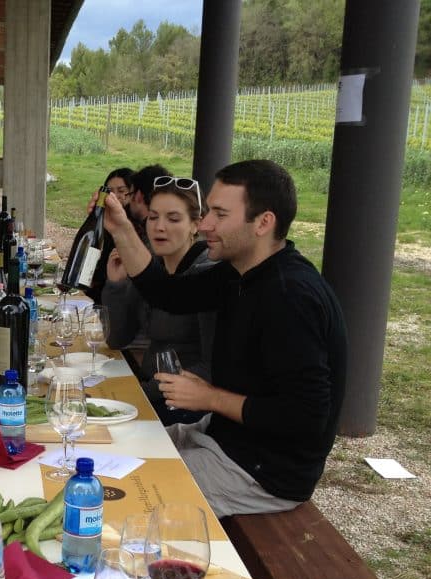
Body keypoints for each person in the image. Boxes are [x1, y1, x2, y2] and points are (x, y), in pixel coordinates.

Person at [103, 159, 347, 518]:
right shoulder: (239, 272)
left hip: (260, 471)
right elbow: (167, 293)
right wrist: (123, 230)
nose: (205, 225)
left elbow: (306, 418)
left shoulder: (290, 296)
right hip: (222, 438)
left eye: (219, 214)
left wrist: (209, 396)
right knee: (105, 456)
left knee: (119, 502)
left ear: (264, 222)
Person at [101, 175, 215, 423]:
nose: (159, 227)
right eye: (153, 217)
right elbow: (118, 338)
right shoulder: (150, 266)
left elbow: (210, 368)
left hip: (183, 410)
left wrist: (140, 394)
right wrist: (117, 284)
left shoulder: (207, 275)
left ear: (196, 224)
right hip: (149, 391)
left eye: (173, 219)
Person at [70, 167, 133, 303]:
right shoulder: (102, 222)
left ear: (133, 194)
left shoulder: (133, 229)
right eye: (110, 192)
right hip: (91, 293)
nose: (114, 197)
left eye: (121, 191)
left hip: (112, 299)